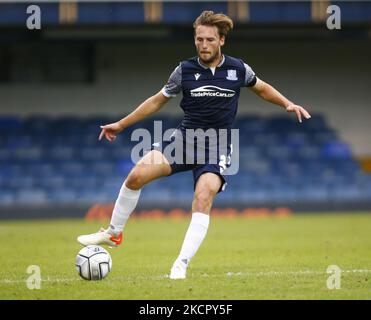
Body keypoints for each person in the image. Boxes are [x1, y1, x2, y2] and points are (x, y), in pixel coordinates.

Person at [77, 11, 311, 279]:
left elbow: (261, 87)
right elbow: (156, 100)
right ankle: (114, 233)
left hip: (218, 146)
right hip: (184, 140)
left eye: (209, 39)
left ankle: (181, 264)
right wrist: (121, 124)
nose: (203, 45)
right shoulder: (184, 70)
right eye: (199, 39)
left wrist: (287, 103)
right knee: (136, 176)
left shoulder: (238, 69)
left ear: (221, 40)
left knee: (202, 196)